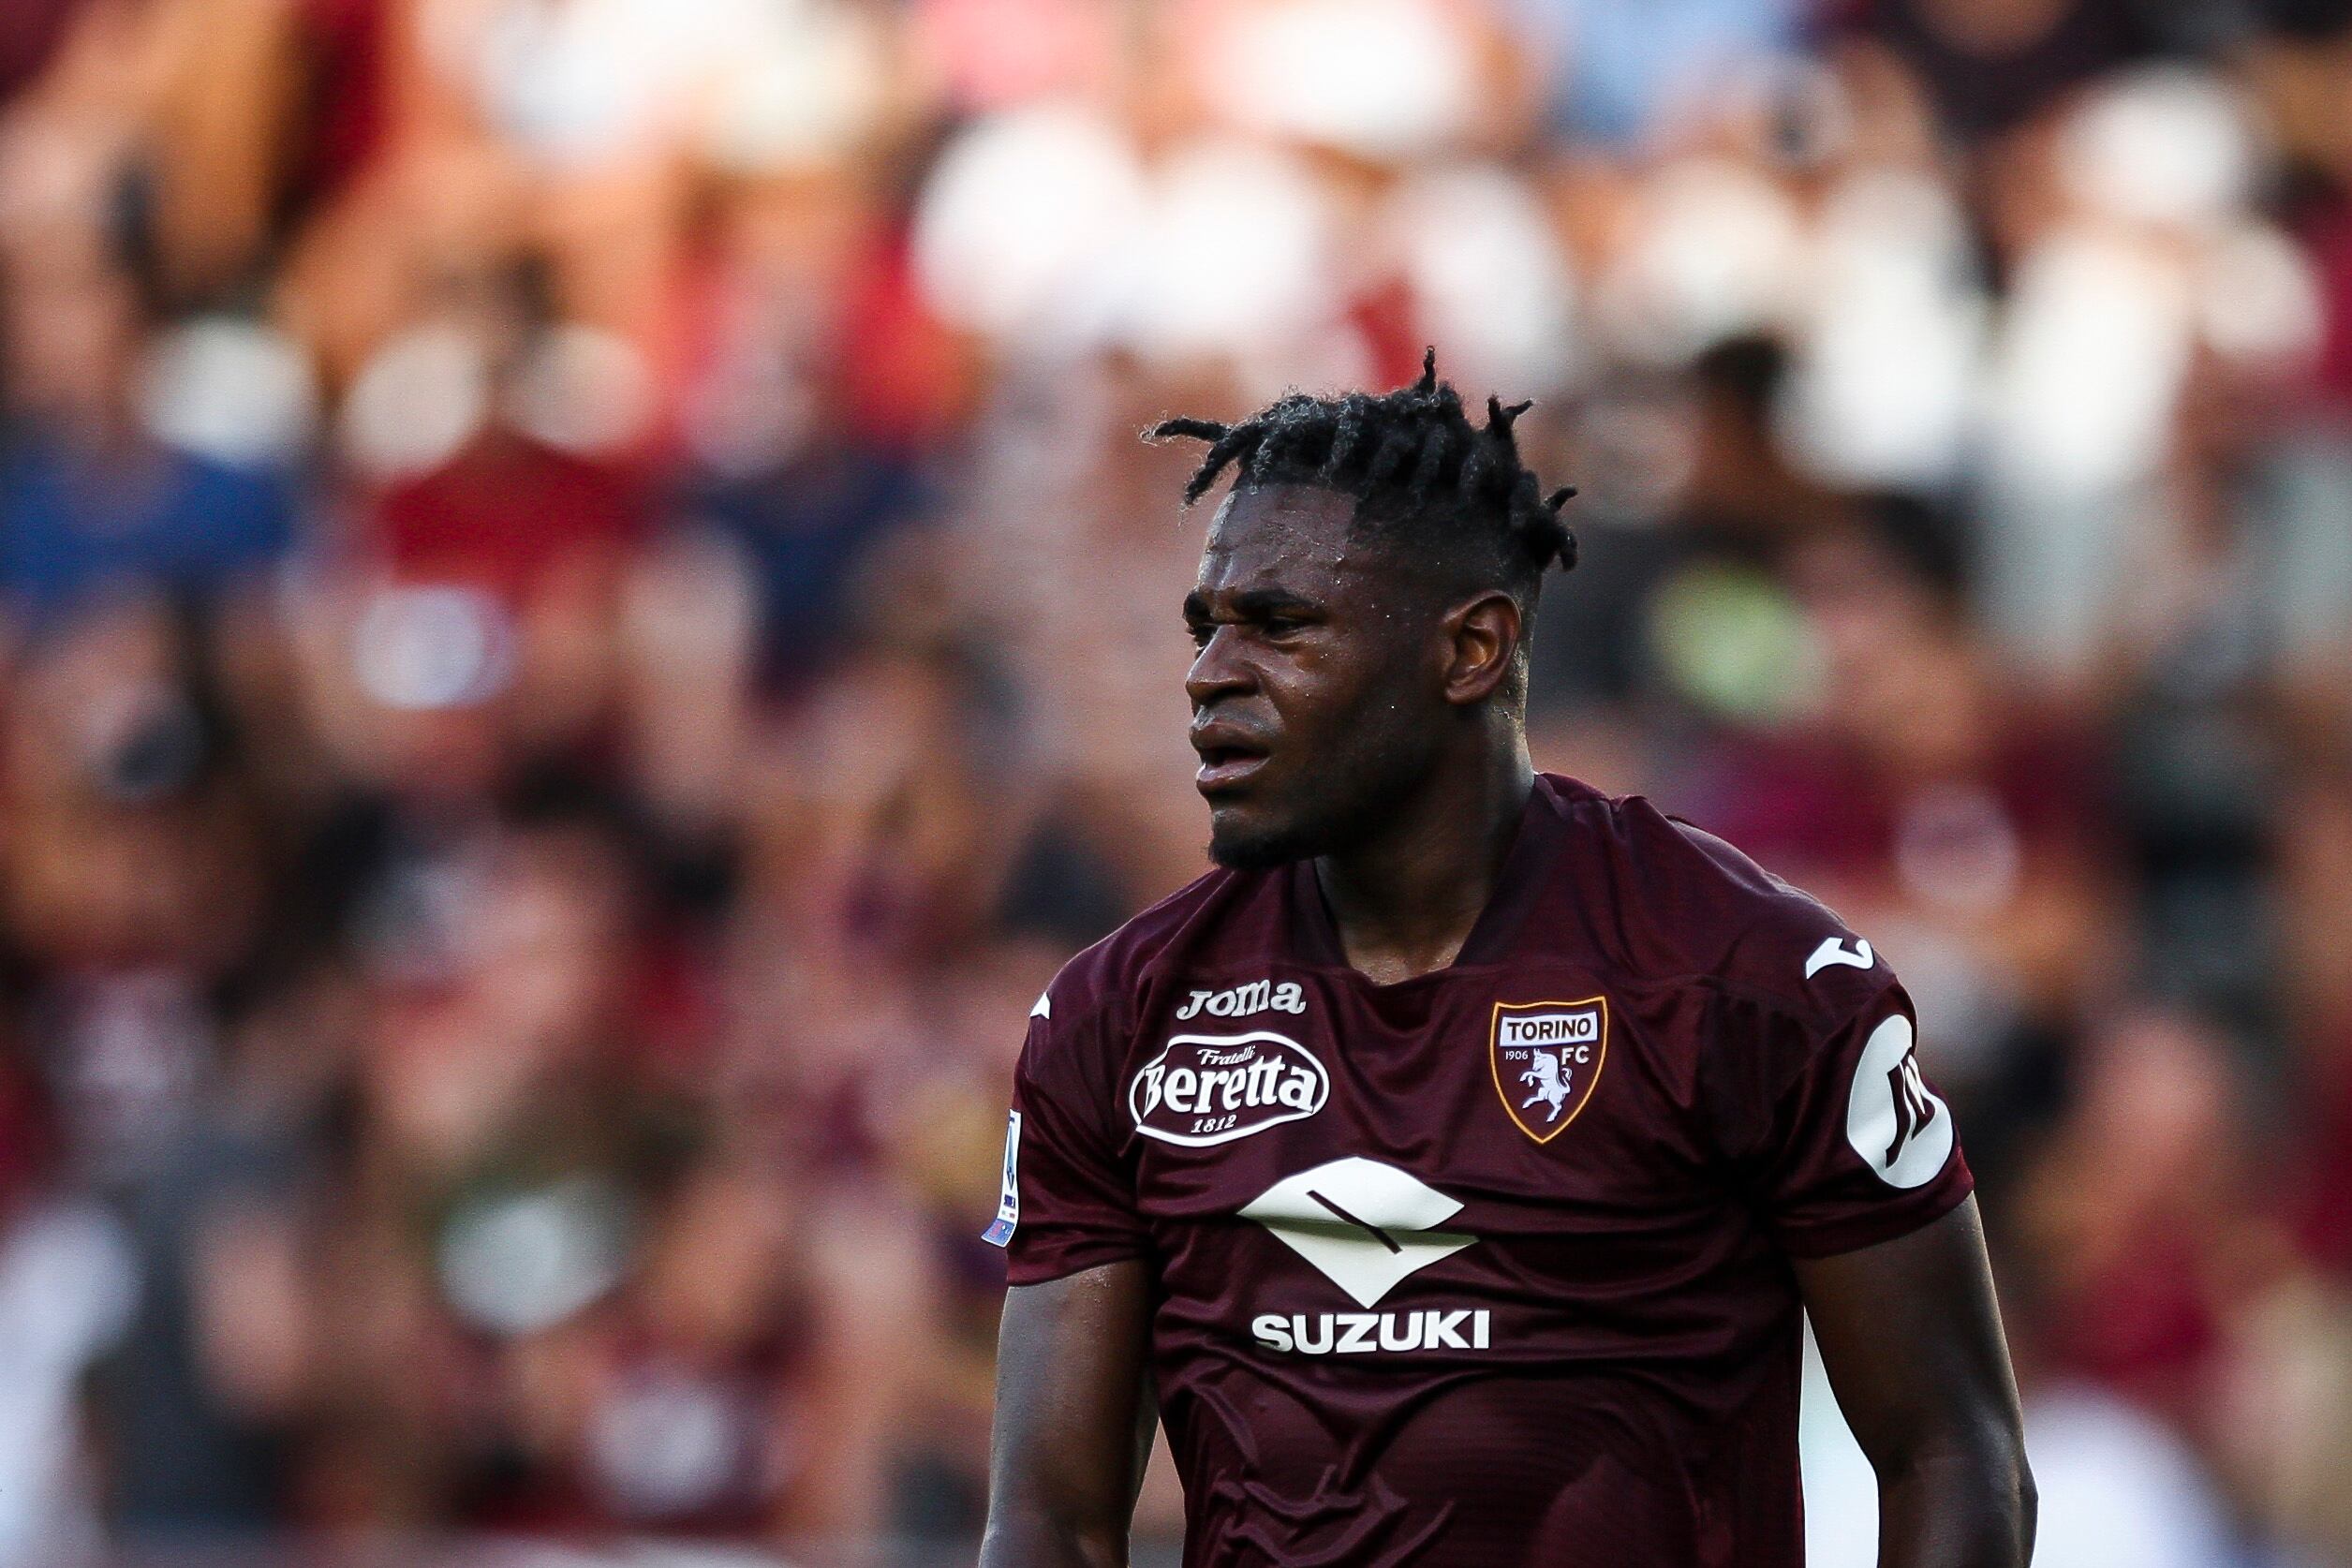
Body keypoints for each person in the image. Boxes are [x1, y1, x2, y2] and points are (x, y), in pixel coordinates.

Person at [978, 352, 2035, 1567]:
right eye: (1205, 626)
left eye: (1279, 626)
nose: (1210, 675)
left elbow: (1955, 1454)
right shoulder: (1119, 1017)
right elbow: (1049, 1521)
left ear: (1473, 648)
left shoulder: (1747, 979)